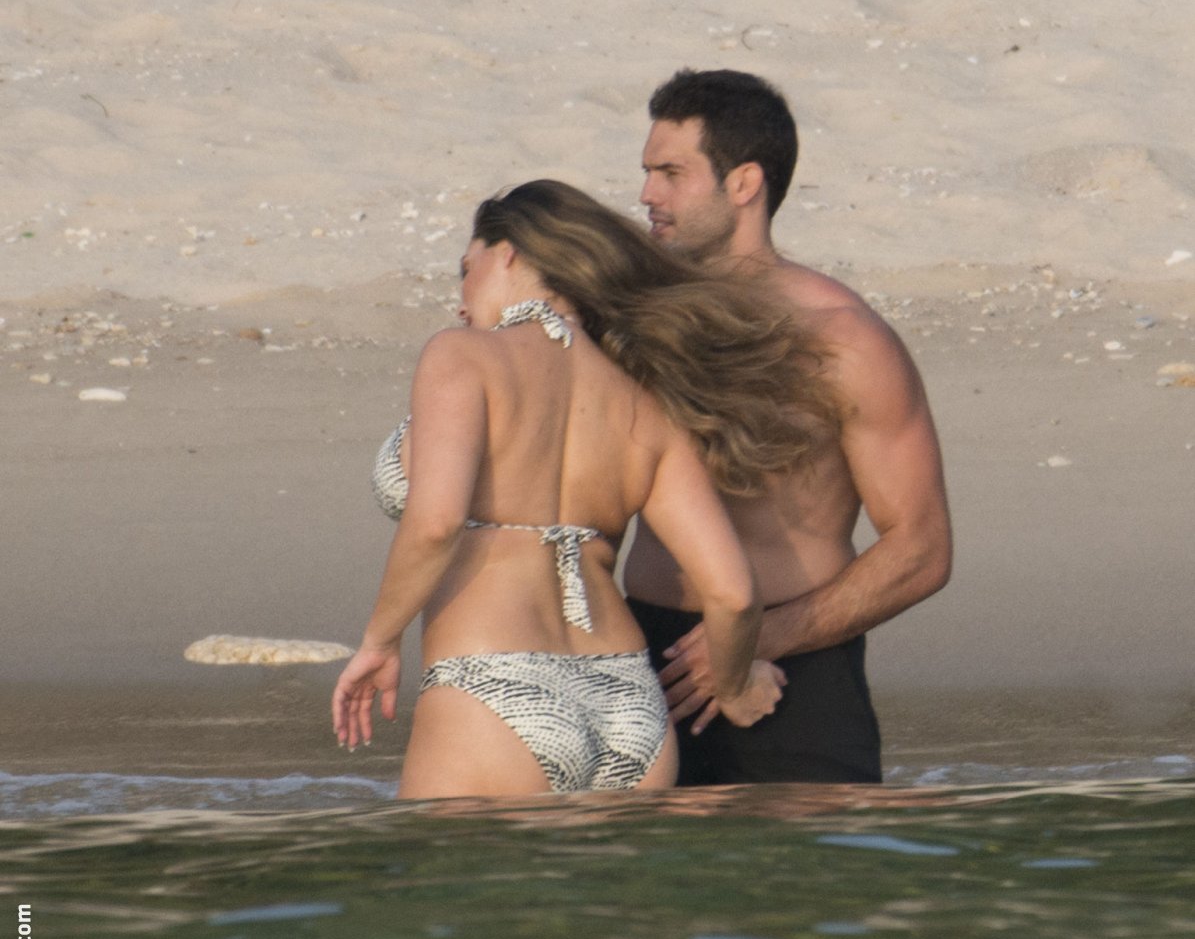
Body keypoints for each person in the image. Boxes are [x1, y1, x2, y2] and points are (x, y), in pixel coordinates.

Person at [332, 179, 832, 799]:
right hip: (628, 706)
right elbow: (732, 593)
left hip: (494, 686)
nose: (460, 302)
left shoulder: (462, 356)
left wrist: (380, 641)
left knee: (441, 865)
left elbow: (436, 523)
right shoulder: (645, 403)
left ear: (509, 253)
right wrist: (732, 686)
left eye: (466, 270)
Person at [625, 68, 953, 786]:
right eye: (647, 172)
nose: (647, 193)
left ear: (744, 183)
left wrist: (753, 640)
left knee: (811, 859)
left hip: (793, 666)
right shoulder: (634, 320)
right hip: (642, 660)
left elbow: (922, 549)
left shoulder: (842, 338)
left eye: (671, 174)